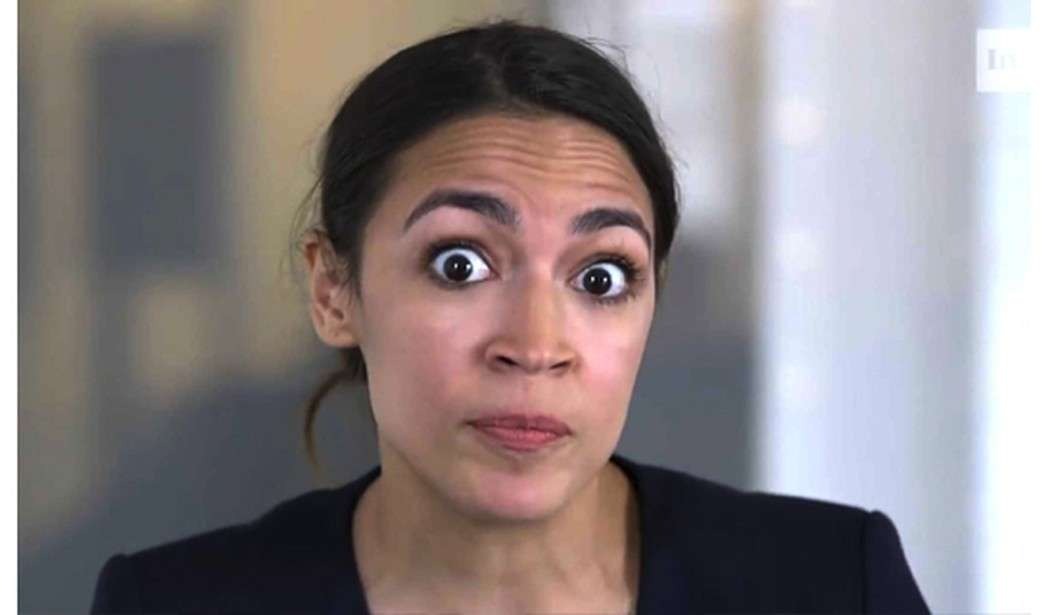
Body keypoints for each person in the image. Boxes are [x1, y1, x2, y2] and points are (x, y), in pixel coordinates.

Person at [90, 20, 930, 614]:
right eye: (461, 263)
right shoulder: (173, 602)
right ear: (332, 290)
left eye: (602, 276)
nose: (534, 345)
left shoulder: (829, 585)